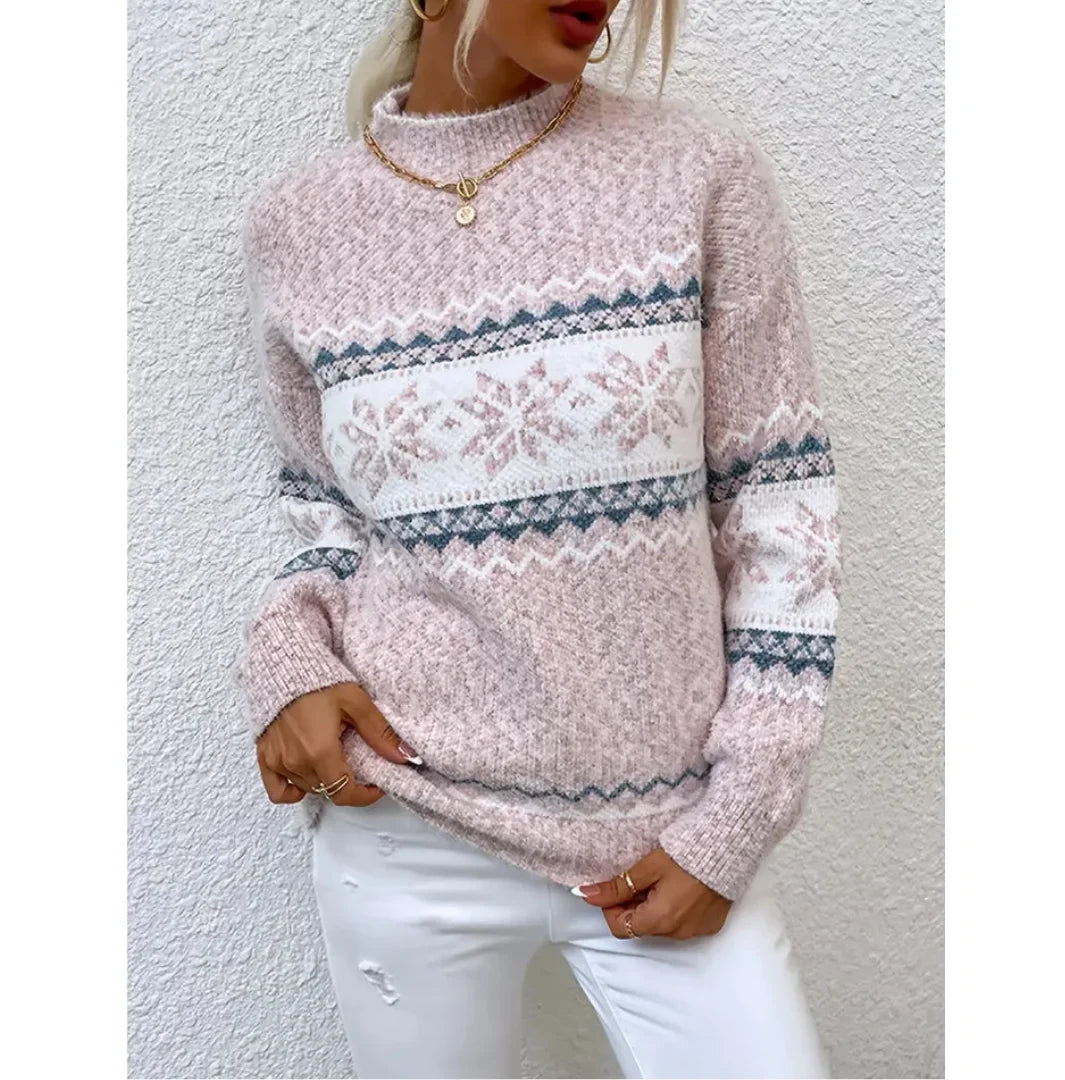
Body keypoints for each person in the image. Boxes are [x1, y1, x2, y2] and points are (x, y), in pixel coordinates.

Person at [233, 1, 842, 1077]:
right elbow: (325, 514)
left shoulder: (696, 173)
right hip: (408, 827)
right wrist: (291, 658)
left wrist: (742, 813)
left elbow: (778, 508)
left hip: (675, 832)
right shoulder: (301, 223)